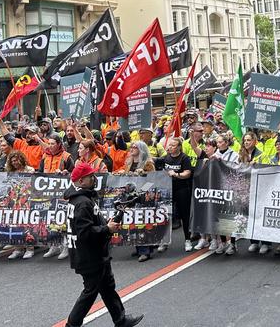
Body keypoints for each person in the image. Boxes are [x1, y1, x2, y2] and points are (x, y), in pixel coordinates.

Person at [63, 163, 144, 327]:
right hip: (89, 255)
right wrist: (106, 228)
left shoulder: (82, 199)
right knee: (90, 291)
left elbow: (88, 225)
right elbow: (84, 233)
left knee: (107, 286)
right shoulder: (82, 202)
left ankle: (120, 319)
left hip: (94, 253)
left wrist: (104, 224)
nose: (94, 179)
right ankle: (72, 324)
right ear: (80, 181)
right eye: (90, 177)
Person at [159, 137, 194, 253]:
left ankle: (187, 240)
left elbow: (188, 173)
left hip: (182, 189)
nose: (170, 147)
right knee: (165, 215)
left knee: (185, 215)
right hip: (169, 190)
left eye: (173, 145)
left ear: (179, 147)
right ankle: (164, 241)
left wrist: (176, 174)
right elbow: (153, 164)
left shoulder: (184, 158)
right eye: (169, 145)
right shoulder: (165, 158)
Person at [5, 151, 36, 260]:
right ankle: (17, 248)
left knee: (27, 226)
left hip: (26, 201)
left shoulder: (30, 170)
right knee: (14, 225)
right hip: (14, 203)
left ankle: (29, 248)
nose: (15, 163)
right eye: (12, 161)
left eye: (16, 160)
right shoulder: (10, 172)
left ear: (21, 159)